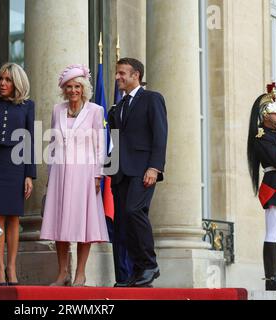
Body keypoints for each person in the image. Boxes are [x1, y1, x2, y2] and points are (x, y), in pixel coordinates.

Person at [40, 64, 109, 287]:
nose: (73, 90)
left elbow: (100, 146)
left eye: (77, 86)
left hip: (85, 174)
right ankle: (62, 274)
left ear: (84, 88)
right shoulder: (57, 110)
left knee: (83, 223)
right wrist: (50, 175)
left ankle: (80, 273)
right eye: (69, 87)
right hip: (60, 173)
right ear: (64, 89)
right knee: (59, 223)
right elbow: (52, 144)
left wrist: (98, 175)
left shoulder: (96, 111)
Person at [108, 58, 167, 288]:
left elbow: (160, 135)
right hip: (120, 173)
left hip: (143, 169)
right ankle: (138, 271)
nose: (118, 77)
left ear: (136, 75)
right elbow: (113, 142)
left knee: (134, 211)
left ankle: (150, 264)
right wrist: (108, 172)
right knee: (123, 221)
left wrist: (155, 167)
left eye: (122, 73)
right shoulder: (117, 108)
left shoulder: (152, 99)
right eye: (117, 73)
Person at [0, 63, 36, 286]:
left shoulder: (27, 106)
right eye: (1, 79)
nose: (3, 83)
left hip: (16, 165)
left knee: (14, 217)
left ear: (17, 83)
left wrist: (29, 174)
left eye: (8, 80)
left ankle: (12, 267)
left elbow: (30, 140)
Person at [247, 83, 276, 291]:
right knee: (273, 232)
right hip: (275, 186)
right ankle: (271, 278)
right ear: (266, 116)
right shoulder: (261, 136)